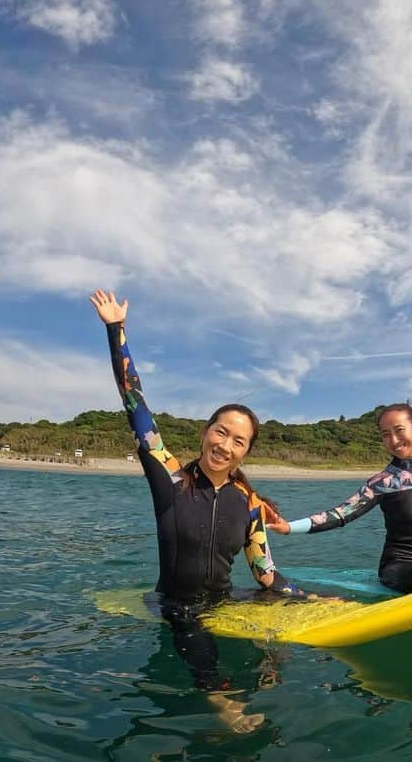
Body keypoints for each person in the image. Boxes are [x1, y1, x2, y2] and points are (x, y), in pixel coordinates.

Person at [90, 289, 297, 732]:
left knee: (275, 649)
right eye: (220, 432)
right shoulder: (169, 478)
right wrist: (116, 331)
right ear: (205, 433)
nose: (225, 445)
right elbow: (136, 405)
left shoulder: (250, 505)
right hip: (175, 606)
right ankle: (222, 701)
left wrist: (311, 600)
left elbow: (265, 574)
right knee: (195, 637)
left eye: (238, 441)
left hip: (223, 603)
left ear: (245, 452)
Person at [269, 339, 412, 598]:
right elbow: (339, 515)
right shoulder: (382, 482)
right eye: (385, 435)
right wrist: (289, 527)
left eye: (399, 431)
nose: (393, 441)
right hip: (397, 568)